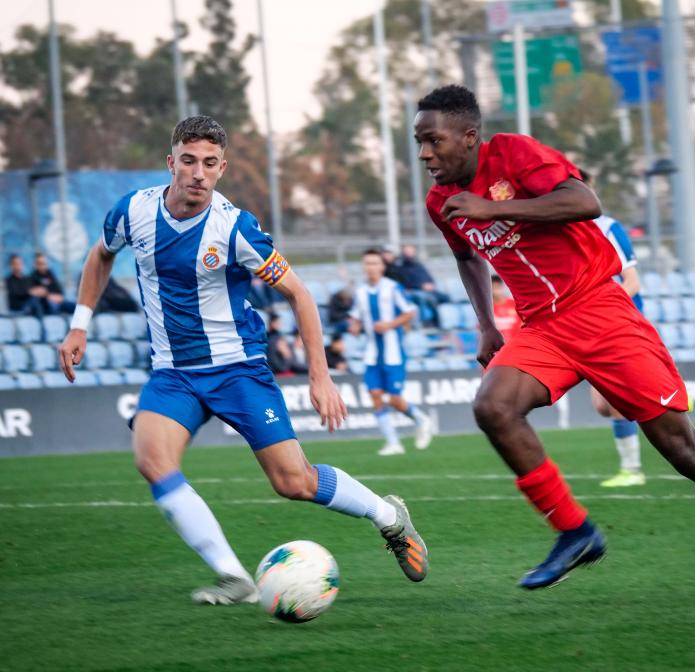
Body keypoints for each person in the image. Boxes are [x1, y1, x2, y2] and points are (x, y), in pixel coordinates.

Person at [415, 84, 695, 599]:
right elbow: (466, 257)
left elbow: (584, 202)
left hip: (601, 313)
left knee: (685, 453)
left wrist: (494, 209)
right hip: (542, 328)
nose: (425, 153)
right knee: (492, 407)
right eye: (419, 142)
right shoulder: (441, 202)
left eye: (433, 140)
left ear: (470, 136)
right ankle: (575, 532)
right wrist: (487, 325)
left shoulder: (514, 153)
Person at [57, 116, 428, 604]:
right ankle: (234, 577)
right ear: (171, 162)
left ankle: (388, 516)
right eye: (188, 161)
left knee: (293, 482)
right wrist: (80, 323)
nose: (198, 173)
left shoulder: (235, 228)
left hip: (238, 370)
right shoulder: (133, 211)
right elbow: (101, 255)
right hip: (173, 373)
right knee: (152, 460)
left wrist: (320, 378)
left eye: (210, 163)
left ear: (222, 168)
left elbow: (299, 294)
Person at [584, 170, 645, 488]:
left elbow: (632, 282)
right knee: (602, 406)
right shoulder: (562, 231)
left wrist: (601, 307)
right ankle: (661, 394)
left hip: (619, 322)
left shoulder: (607, 227)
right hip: (590, 326)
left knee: (616, 400)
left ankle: (632, 470)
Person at [349, 248, 434, 456]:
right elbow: (356, 316)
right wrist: (354, 326)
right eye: (367, 263)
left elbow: (410, 311)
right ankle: (393, 443)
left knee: (394, 399)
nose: (370, 267)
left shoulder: (392, 288)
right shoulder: (360, 292)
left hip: (393, 353)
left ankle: (421, 419)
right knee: (375, 396)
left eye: (374, 263)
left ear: (382, 266)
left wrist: (389, 325)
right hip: (371, 354)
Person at [491, 275, 520, 342]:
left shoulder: (514, 304)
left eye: (498, 287)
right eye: (494, 288)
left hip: (516, 343)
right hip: (498, 346)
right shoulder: (488, 309)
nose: (496, 291)